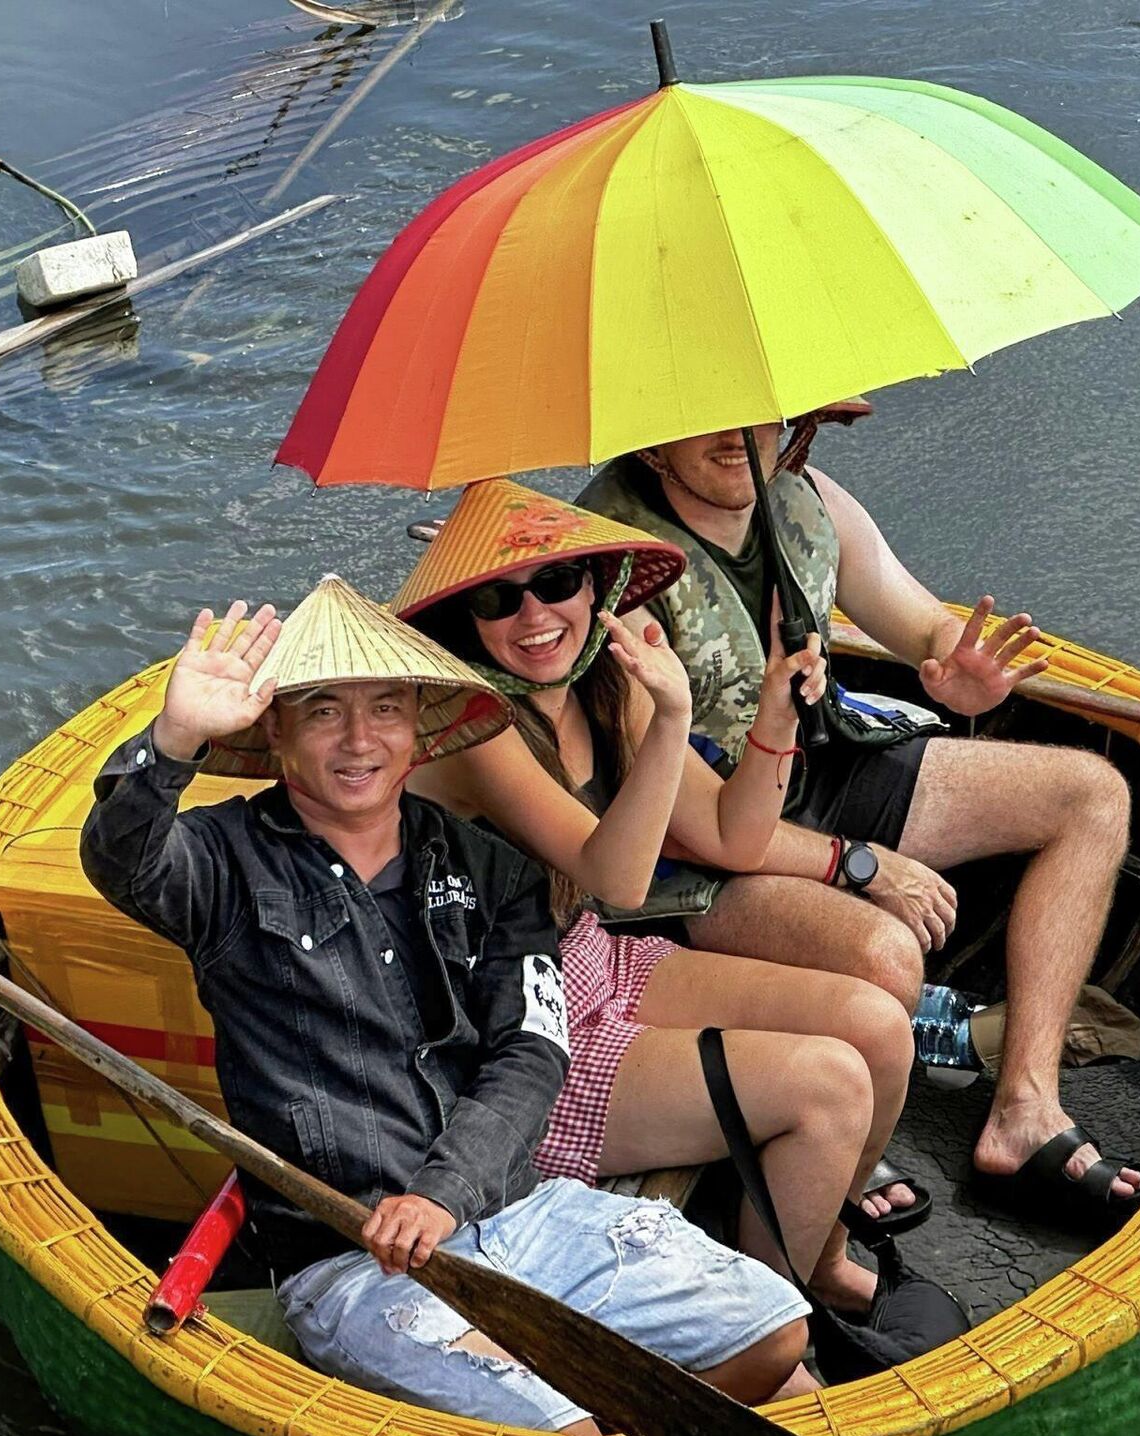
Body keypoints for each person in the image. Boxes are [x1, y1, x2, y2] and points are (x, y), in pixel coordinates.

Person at [78, 576, 808, 1435]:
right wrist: (172, 740)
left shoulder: (493, 870)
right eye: (323, 711)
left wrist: (445, 1192)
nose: (360, 739)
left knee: (776, 1335)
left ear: (420, 725)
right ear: (276, 728)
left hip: (519, 1212)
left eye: (386, 709)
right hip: (354, 1265)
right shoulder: (223, 862)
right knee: (567, 1432)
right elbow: (121, 860)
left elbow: (533, 1050)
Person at [574, 413, 1140, 1227]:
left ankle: (1024, 1108)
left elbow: (921, 623)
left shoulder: (808, 499)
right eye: (704, 416)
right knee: (885, 956)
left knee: (1092, 795)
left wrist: (954, 667)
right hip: (694, 857)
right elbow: (701, 830)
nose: (737, 436)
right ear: (649, 433)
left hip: (817, 767)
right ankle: (826, 1132)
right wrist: (863, 864)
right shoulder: (614, 568)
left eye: (756, 412)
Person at [394, 480, 921, 1335]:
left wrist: (778, 712)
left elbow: (733, 835)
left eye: (556, 583)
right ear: (465, 617)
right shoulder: (473, 724)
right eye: (498, 598)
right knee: (829, 1088)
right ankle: (756, 1334)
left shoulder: (607, 680)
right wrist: (673, 715)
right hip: (519, 1030)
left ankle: (816, 1262)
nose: (535, 616)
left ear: (593, 587)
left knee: (881, 1029)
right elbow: (617, 878)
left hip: (596, 959)